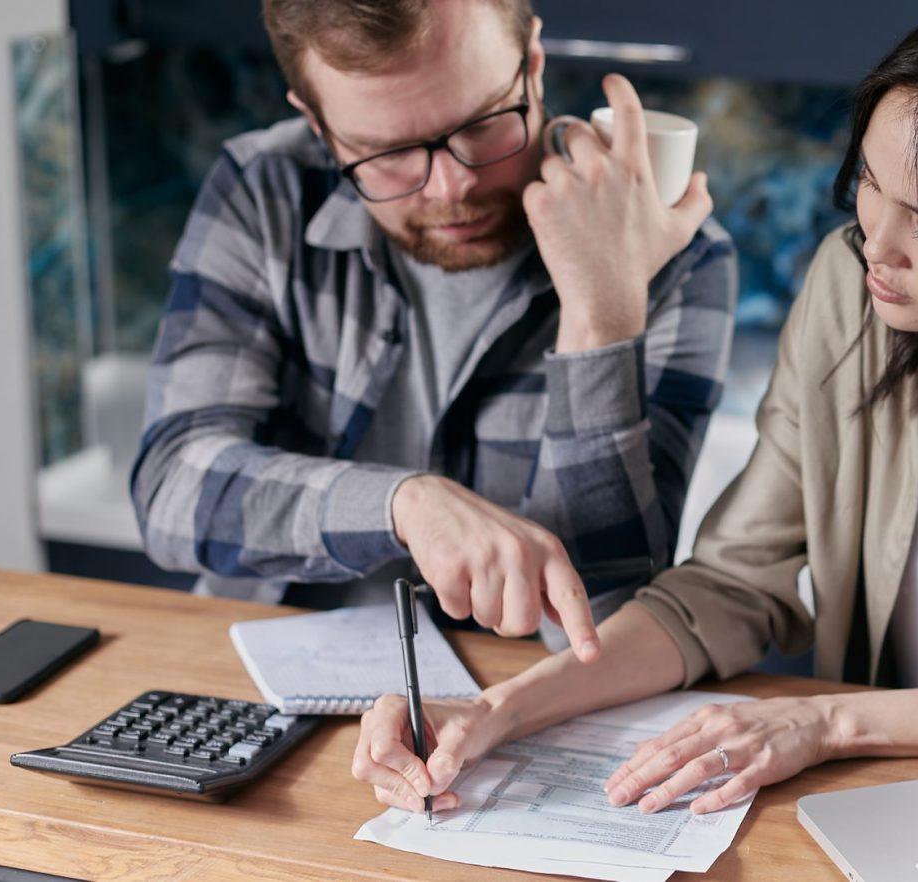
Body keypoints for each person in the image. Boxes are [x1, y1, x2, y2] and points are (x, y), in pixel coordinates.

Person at [351, 0, 918, 817]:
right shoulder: (853, 290)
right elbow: (728, 585)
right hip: (886, 792)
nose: (873, 244)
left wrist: (827, 719)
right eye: (871, 186)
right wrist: (500, 710)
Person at [131, 0, 737, 658]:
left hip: (521, 702)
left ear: (532, 65)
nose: (453, 187)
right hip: (264, 672)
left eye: (481, 125)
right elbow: (172, 489)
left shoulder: (673, 251)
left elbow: (607, 619)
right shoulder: (263, 191)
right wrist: (402, 506)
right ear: (317, 125)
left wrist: (601, 315)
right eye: (385, 152)